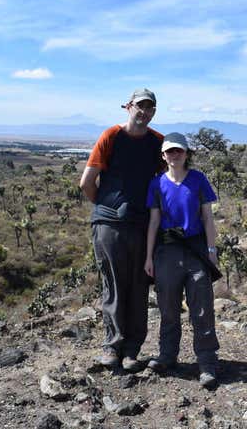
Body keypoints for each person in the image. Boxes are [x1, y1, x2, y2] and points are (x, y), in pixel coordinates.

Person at [79, 88, 163, 372]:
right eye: (140, 106)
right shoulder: (111, 137)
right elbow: (86, 183)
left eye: (149, 108)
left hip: (141, 226)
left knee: (139, 287)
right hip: (109, 225)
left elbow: (168, 182)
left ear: (154, 112)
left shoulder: (157, 143)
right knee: (113, 285)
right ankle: (113, 345)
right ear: (128, 107)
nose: (144, 112)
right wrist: (106, 207)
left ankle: (131, 351)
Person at [144, 132, 221, 388]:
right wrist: (149, 257)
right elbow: (154, 221)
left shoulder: (198, 179)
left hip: (196, 250)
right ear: (163, 156)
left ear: (187, 153)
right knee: (168, 307)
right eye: (169, 151)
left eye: (179, 150)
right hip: (166, 251)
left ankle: (207, 362)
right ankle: (167, 356)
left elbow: (208, 218)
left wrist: (212, 251)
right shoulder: (156, 183)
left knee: (202, 307)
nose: (174, 155)